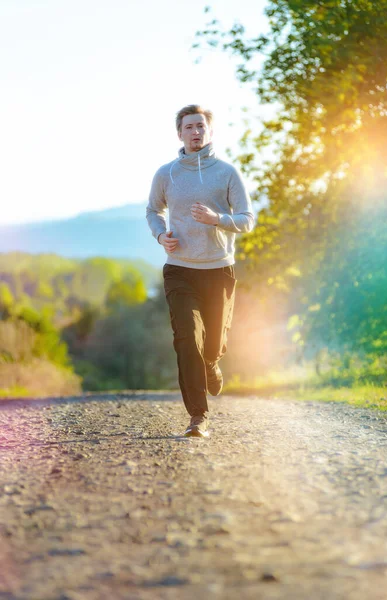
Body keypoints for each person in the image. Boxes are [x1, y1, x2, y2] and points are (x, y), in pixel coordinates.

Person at [146, 104, 254, 438]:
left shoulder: (226, 172)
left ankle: (211, 363)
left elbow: (247, 219)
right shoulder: (167, 173)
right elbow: (153, 210)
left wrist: (217, 219)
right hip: (179, 270)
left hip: (218, 269)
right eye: (189, 127)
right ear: (179, 133)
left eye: (201, 127)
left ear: (209, 131)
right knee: (187, 339)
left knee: (212, 345)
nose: (195, 132)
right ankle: (198, 416)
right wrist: (160, 234)